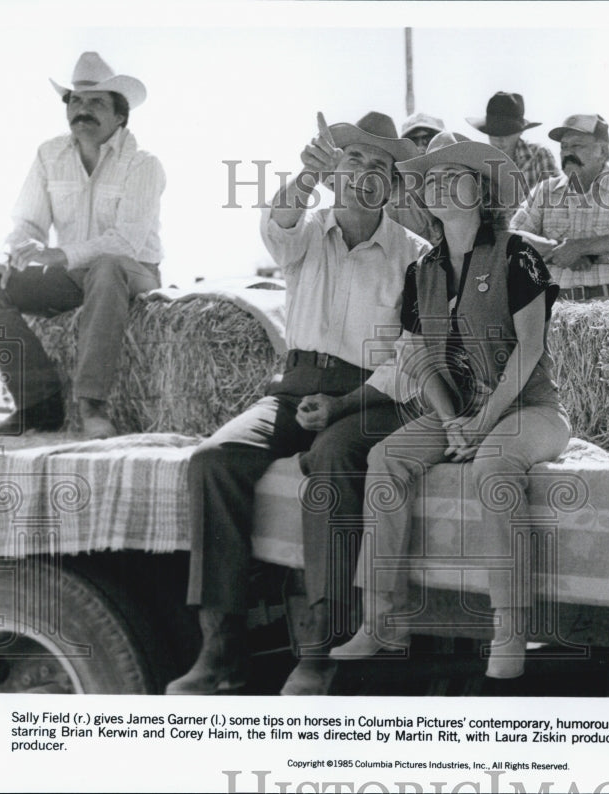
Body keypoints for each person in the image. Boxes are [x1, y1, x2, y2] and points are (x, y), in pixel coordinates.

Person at [165, 113, 428, 696]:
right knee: (215, 459)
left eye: (378, 167)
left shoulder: (415, 255)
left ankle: (321, 649)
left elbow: (411, 359)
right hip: (297, 385)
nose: (363, 174)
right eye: (353, 160)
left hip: (370, 396)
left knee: (332, 459)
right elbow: (276, 226)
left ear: (393, 185)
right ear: (335, 170)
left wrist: (341, 408)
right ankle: (223, 644)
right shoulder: (307, 230)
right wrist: (305, 175)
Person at [330, 132, 570, 684]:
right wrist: (452, 421)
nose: (436, 184)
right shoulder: (424, 270)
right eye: (429, 179)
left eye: (450, 175)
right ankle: (380, 621)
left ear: (481, 191)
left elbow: (529, 349)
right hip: (461, 413)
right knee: (385, 458)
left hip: (529, 409)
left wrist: (483, 426)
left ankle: (509, 630)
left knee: (493, 465)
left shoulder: (518, 255)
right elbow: (416, 355)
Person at [0, 52, 165, 438]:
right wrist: (5, 257)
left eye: (96, 102)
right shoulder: (49, 155)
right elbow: (28, 223)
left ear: (120, 116)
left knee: (108, 265)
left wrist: (59, 254)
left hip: (135, 274)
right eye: (76, 101)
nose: (82, 110)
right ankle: (39, 403)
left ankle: (92, 405)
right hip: (74, 275)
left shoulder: (144, 164)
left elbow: (126, 241)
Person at [510, 114, 609, 300]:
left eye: (577, 146)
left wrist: (581, 247)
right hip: (557, 308)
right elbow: (512, 235)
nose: (567, 153)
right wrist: (557, 249)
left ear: (602, 151)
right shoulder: (544, 191)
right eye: (563, 147)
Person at [466, 91, 558, 193]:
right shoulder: (478, 164)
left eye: (507, 132)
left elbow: (556, 200)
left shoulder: (539, 155)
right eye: (494, 133)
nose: (500, 139)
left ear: (520, 132)